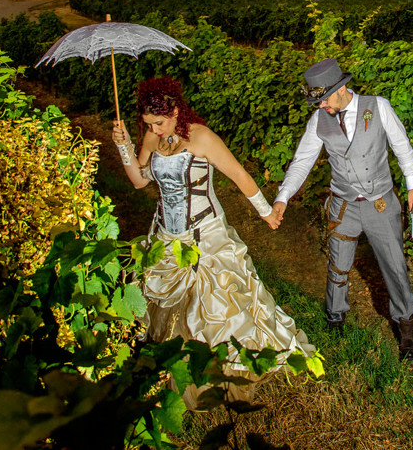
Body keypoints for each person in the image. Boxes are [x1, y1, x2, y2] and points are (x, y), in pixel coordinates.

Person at [111, 77, 315, 408]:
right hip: (165, 235)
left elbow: (239, 176)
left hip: (206, 233)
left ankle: (229, 365)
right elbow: (139, 180)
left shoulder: (202, 137)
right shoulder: (151, 137)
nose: (156, 130)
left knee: (219, 304)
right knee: (169, 309)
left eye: (160, 122)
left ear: (176, 111)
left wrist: (266, 213)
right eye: (149, 124)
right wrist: (122, 146)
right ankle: (178, 368)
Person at [270, 58, 413, 360]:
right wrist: (283, 197)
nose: (320, 105)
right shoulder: (319, 120)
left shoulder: (378, 107)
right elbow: (302, 161)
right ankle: (335, 316)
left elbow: (401, 145)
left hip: (379, 202)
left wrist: (412, 183)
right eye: (315, 100)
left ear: (341, 89)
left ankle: (406, 329)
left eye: (323, 98)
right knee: (338, 264)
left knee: (394, 266)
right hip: (343, 204)